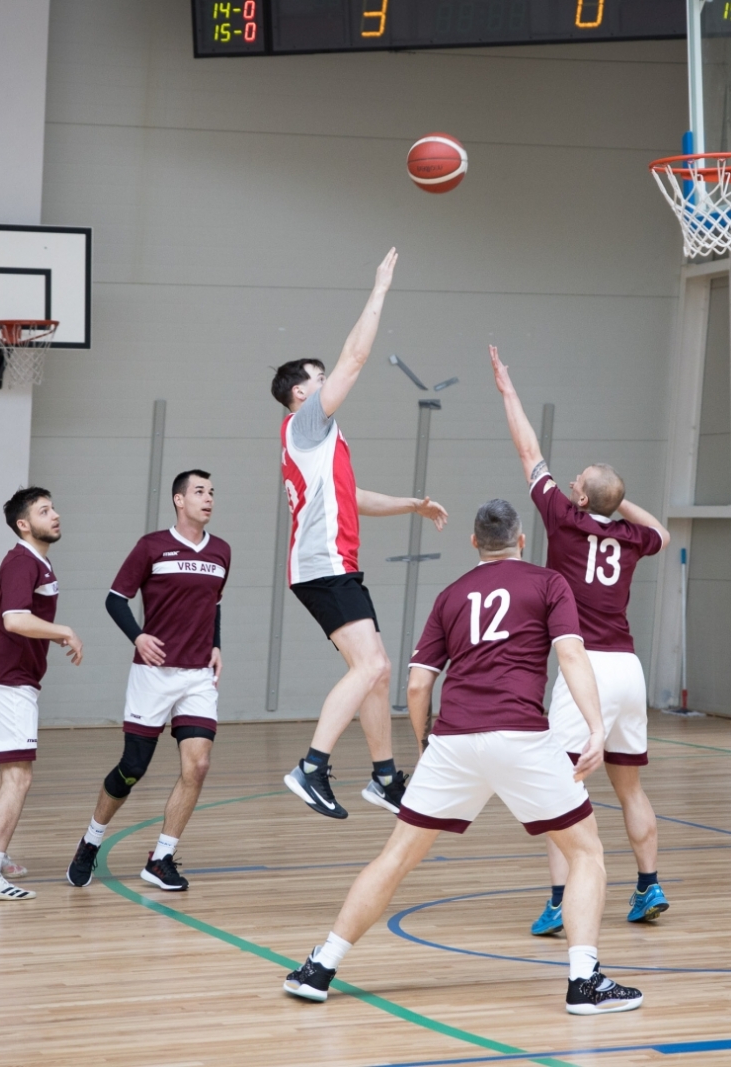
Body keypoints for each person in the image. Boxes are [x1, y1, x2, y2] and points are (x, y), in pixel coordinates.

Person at [283, 500, 643, 1014]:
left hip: (453, 740)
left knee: (396, 857)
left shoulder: (450, 595)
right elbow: (570, 655)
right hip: (521, 736)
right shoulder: (548, 583)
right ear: (522, 540)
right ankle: (584, 983)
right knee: (585, 852)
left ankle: (320, 967)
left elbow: (416, 684)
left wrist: (427, 743)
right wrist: (595, 726)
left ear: (473, 543)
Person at [488, 345, 672, 935]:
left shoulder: (563, 517)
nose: (567, 485)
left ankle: (559, 898)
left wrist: (508, 392)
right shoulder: (633, 540)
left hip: (582, 670)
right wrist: (617, 503)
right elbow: (660, 531)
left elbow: (528, 452)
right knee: (630, 787)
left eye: (577, 485)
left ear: (582, 499)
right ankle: (648, 887)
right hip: (628, 670)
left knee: (558, 785)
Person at [274, 247, 449, 819]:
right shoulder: (305, 423)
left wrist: (410, 505)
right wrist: (379, 289)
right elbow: (354, 357)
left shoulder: (323, 441)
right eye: (317, 380)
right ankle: (311, 767)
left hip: (333, 564)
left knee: (377, 670)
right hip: (323, 566)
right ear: (301, 393)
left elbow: (351, 498)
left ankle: (382, 776)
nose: (327, 384)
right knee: (371, 667)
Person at [66, 470, 229, 891]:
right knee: (133, 768)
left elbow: (213, 605)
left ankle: (161, 858)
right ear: (179, 499)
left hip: (197, 676)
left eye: (211, 492)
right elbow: (115, 599)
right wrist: (137, 636)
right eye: (199, 492)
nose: (208, 498)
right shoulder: (151, 546)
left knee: (199, 764)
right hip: (152, 676)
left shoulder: (222, 552)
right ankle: (91, 840)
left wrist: (216, 644)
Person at [0, 487, 83, 901]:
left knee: (8, 772)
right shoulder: (21, 561)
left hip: (12, 678)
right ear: (24, 524)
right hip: (8, 680)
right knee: (19, 776)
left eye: (54, 507)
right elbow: (14, 619)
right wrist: (63, 631)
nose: (55, 515)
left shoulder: (38, 562)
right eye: (44, 511)